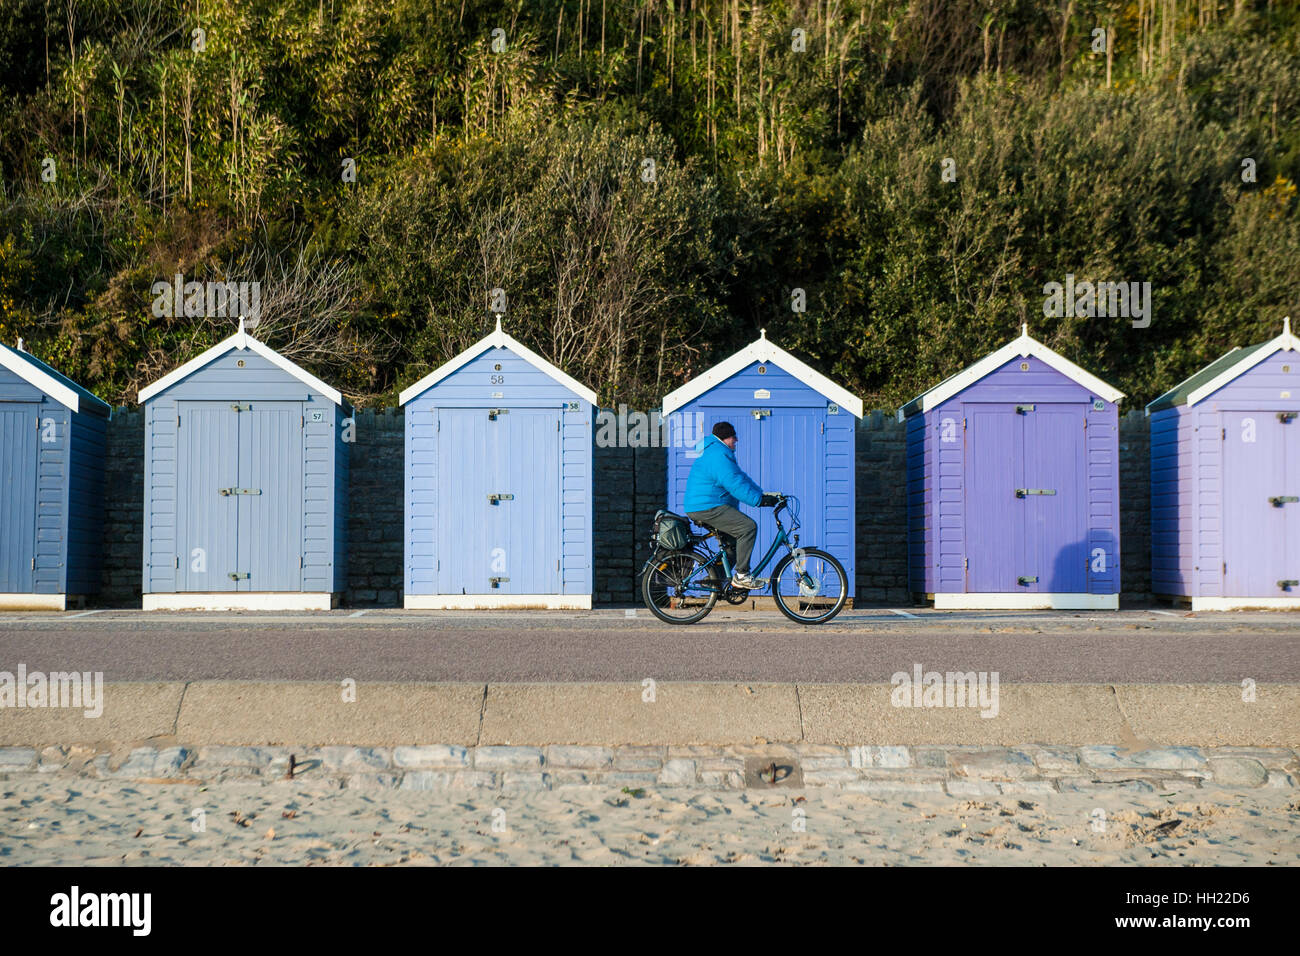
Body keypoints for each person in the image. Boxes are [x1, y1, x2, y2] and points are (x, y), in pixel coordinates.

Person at [683, 421, 780, 589]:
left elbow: (740, 477)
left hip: (705, 505)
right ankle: (742, 575)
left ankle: (715, 577)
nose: (736, 440)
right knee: (747, 528)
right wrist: (759, 501)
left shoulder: (717, 451)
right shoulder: (718, 455)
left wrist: (763, 495)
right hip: (707, 506)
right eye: (733, 436)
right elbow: (733, 483)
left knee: (734, 542)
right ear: (725, 437)